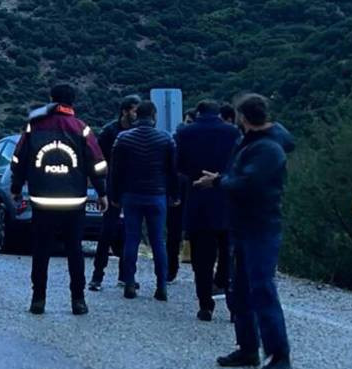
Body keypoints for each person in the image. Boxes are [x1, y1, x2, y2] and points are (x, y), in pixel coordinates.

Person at [196, 93, 294, 369]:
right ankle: (248, 347)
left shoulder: (267, 149)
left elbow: (247, 183)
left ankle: (279, 358)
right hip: (242, 228)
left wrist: (217, 181)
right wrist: (223, 177)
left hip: (260, 228)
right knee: (239, 291)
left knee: (262, 290)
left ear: (243, 117)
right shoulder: (251, 142)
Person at [11, 83, 107, 316]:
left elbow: (18, 161)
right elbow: (96, 164)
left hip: (42, 200)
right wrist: (102, 192)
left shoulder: (34, 126)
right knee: (75, 251)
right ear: (72, 102)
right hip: (74, 202)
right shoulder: (81, 128)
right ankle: (78, 300)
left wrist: (16, 189)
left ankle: (38, 299)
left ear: (51, 99)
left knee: (41, 251)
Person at [175, 100, 240, 320]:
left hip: (198, 198)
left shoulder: (185, 133)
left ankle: (205, 304)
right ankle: (233, 306)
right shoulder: (232, 132)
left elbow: (179, 166)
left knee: (201, 259)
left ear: (199, 113)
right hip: (227, 199)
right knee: (228, 256)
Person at [111, 100, 179, 301]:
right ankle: (161, 286)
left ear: (136, 116)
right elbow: (172, 171)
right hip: (157, 194)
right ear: (154, 116)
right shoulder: (165, 139)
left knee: (131, 239)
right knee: (158, 241)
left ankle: (129, 282)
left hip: (131, 194)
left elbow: (116, 171)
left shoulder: (123, 138)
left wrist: (115, 196)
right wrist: (174, 195)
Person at [89, 94, 141, 292]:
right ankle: (97, 276)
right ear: (125, 110)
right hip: (112, 186)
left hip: (133, 187)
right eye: (134, 110)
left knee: (130, 232)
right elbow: (98, 158)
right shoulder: (109, 131)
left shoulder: (139, 131)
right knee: (107, 232)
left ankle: (126, 274)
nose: (136, 115)